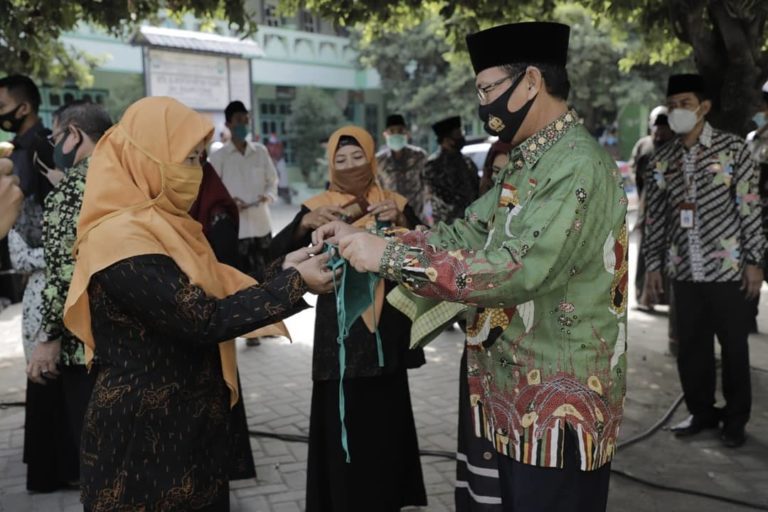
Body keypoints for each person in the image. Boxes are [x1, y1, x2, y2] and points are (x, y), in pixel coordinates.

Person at [314, 22, 628, 512]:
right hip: (510, 393)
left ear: (530, 83)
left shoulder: (575, 163)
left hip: (558, 403)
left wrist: (390, 256)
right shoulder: (528, 160)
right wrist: (369, 238)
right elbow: (466, 233)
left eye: (487, 89)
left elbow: (517, 269)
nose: (482, 105)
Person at [61, 96, 335, 511]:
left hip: (188, 428)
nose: (197, 173)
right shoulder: (119, 239)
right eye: (188, 160)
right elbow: (201, 317)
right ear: (146, 159)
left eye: (200, 159)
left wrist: (284, 269)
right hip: (143, 441)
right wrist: (294, 285)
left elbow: (209, 288)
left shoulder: (165, 224)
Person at [270, 125, 428, 512]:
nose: (350, 165)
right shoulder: (317, 207)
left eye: (358, 157)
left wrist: (403, 214)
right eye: (341, 159)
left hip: (386, 330)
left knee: (386, 422)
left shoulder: (391, 200)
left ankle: (388, 498)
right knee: (340, 419)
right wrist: (303, 226)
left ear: (372, 158)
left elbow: (429, 247)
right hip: (338, 336)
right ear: (329, 163)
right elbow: (272, 259)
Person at [643, 74, 765, 448]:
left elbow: (749, 207)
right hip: (684, 269)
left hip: (727, 269)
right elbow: (656, 218)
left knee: (733, 347)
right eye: (673, 104)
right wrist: (652, 267)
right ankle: (701, 411)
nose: (678, 111)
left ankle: (735, 419)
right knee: (692, 348)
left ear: (704, 107)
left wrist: (754, 262)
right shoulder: (663, 158)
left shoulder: (733, 150)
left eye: (685, 103)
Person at [24, 102, 112, 493]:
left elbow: (62, 276)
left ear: (75, 135)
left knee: (97, 457)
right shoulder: (132, 181)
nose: (54, 144)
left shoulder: (70, 192)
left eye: (56, 136)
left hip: (84, 344)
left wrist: (47, 340)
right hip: (133, 341)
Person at [190, 151, 258, 480]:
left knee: (218, 387)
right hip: (186, 322)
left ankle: (227, 463)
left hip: (210, 314)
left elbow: (224, 268)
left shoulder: (216, 210)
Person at [208, 100, 279, 283]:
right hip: (235, 231)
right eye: (239, 120)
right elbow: (212, 192)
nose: (243, 124)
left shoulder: (261, 152)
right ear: (228, 124)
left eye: (246, 120)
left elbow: (272, 181)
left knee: (268, 276)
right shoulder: (218, 157)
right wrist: (229, 203)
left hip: (262, 225)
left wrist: (268, 196)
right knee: (241, 281)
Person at [0, 75, 51, 308]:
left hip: (49, 266)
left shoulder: (49, 147)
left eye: (2, 107)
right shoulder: (11, 151)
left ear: (24, 108)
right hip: (23, 268)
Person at [632, 107, 675, 311]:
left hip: (671, 211)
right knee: (645, 253)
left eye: (664, 127)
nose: (659, 132)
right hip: (647, 207)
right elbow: (637, 176)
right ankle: (644, 297)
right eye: (656, 127)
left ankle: (665, 298)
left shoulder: (677, 148)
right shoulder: (644, 145)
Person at [423, 116, 479, 224]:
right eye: (458, 134)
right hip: (447, 224)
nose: (461, 137)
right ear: (446, 139)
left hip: (470, 221)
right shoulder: (433, 166)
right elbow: (442, 197)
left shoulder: (466, 161)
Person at [375, 114, 430, 223]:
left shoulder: (419, 156)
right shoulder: (378, 161)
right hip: (391, 217)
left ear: (406, 133)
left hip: (417, 217)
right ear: (385, 134)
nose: (396, 134)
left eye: (400, 131)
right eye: (392, 131)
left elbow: (428, 185)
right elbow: (376, 190)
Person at [266, 132, 292, 204]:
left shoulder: (279, 145)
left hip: (279, 161)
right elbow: (268, 153)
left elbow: (280, 153)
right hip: (271, 161)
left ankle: (284, 191)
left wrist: (276, 159)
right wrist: (272, 160)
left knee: (283, 176)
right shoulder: (268, 146)